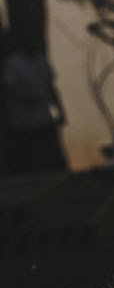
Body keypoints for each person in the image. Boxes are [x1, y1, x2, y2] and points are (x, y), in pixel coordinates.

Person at [2, 10, 66, 175]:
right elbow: (8, 91)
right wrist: (25, 100)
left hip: (44, 118)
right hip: (24, 122)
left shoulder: (41, 60)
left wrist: (60, 109)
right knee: (27, 160)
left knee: (55, 157)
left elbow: (50, 87)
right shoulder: (14, 63)